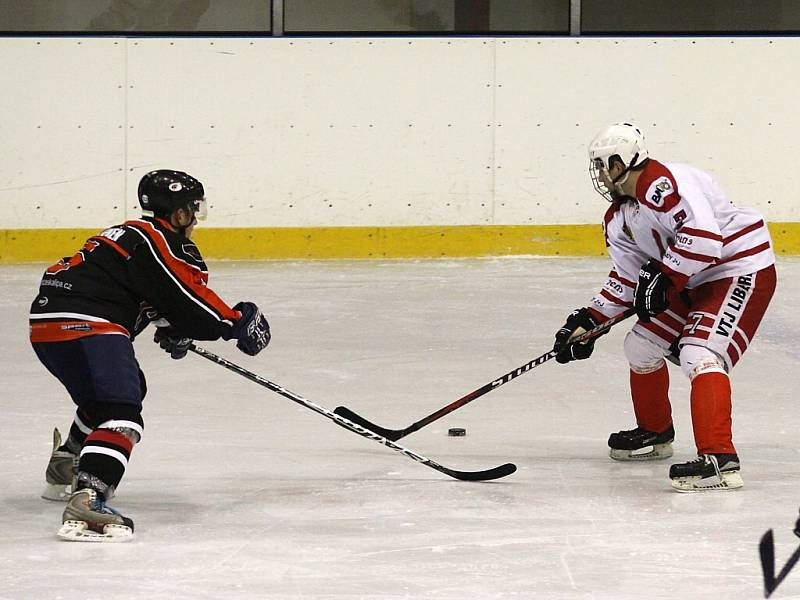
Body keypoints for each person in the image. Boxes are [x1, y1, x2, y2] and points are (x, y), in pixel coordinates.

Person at [30, 169, 271, 541]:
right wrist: (234, 321)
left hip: (47, 326)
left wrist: (172, 326)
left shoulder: (127, 234)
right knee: (121, 412)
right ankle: (90, 500)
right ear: (178, 213)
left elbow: (149, 294)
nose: (194, 218)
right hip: (89, 323)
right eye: (192, 209)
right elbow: (187, 299)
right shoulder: (158, 239)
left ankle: (67, 461)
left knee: (114, 394)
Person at [552, 123, 776, 492]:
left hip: (736, 269)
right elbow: (627, 279)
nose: (600, 175)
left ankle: (719, 460)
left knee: (699, 353)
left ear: (620, 162)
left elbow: (705, 240)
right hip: (692, 280)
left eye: (602, 165)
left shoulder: (664, 183)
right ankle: (655, 432)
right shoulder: (619, 217)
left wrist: (666, 276)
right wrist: (589, 320)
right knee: (639, 345)